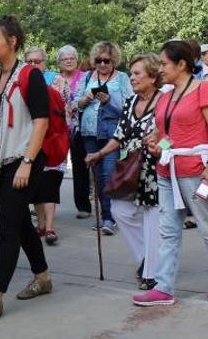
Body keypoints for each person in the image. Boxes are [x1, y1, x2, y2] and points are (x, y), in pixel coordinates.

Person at [133, 40, 208, 306]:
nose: (160, 68)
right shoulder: (166, 96)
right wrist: (159, 144)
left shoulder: (205, 89)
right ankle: (164, 286)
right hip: (167, 169)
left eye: (164, 63)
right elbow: (170, 134)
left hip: (195, 169)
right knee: (168, 230)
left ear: (182, 64)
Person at [0, 16, 52, 324]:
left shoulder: (30, 76)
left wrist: (27, 162)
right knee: (19, 223)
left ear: (12, 41)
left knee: (7, 226)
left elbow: (41, 121)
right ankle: (43, 277)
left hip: (22, 161)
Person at [85, 53, 162, 291]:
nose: (133, 78)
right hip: (131, 168)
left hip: (155, 170)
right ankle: (146, 259)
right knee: (120, 211)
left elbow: (172, 135)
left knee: (152, 220)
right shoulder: (129, 104)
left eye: (138, 73)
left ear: (152, 77)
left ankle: (151, 273)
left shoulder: (164, 102)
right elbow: (119, 136)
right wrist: (99, 154)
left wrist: (161, 148)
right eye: (132, 73)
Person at [76, 42, 133, 235]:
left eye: (106, 61)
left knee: (108, 174)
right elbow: (76, 103)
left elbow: (130, 105)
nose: (102, 64)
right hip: (89, 132)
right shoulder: (86, 77)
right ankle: (104, 215)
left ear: (114, 60)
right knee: (97, 178)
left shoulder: (122, 78)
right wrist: (84, 100)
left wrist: (110, 101)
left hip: (112, 134)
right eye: (98, 60)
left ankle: (109, 218)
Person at [25, 47, 65, 244]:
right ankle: (40, 225)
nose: (33, 65)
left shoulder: (57, 83)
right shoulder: (21, 84)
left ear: (44, 63)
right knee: (36, 186)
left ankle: (49, 227)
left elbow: (69, 111)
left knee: (49, 185)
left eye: (37, 62)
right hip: (30, 142)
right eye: (29, 62)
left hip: (53, 141)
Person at [52, 45, 91, 219]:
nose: (69, 61)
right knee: (52, 167)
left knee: (80, 166)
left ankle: (83, 206)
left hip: (78, 127)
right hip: (58, 128)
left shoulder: (85, 77)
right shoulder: (54, 79)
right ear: (59, 62)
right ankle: (45, 203)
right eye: (65, 59)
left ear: (77, 60)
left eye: (72, 58)